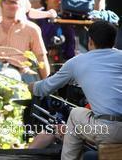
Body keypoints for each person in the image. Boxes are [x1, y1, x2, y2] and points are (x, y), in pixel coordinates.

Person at [29, 20, 122, 160]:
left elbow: (43, 89)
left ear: (90, 41)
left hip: (106, 131)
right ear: (113, 41)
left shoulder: (77, 62)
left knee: (76, 113)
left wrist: (31, 86)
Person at [0, 0, 50, 82]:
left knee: (13, 78)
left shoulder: (31, 29)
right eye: (7, 1)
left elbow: (41, 58)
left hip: (19, 71)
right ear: (1, 3)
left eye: (15, 2)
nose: (11, 5)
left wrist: (48, 84)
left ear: (20, 5)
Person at [36, 0, 75, 67]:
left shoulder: (69, 16)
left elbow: (72, 46)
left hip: (65, 62)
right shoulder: (36, 16)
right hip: (41, 60)